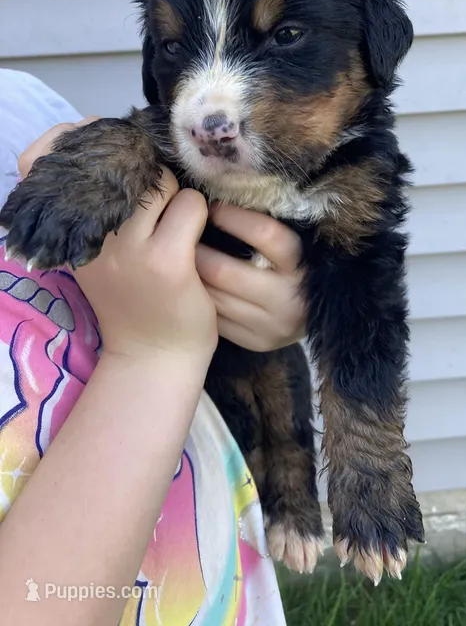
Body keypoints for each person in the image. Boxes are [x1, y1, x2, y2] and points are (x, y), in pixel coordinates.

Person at [0, 69, 309, 625]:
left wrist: (267, 293)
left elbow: (162, 247)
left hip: (215, 556)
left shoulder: (19, 104)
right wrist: (154, 353)